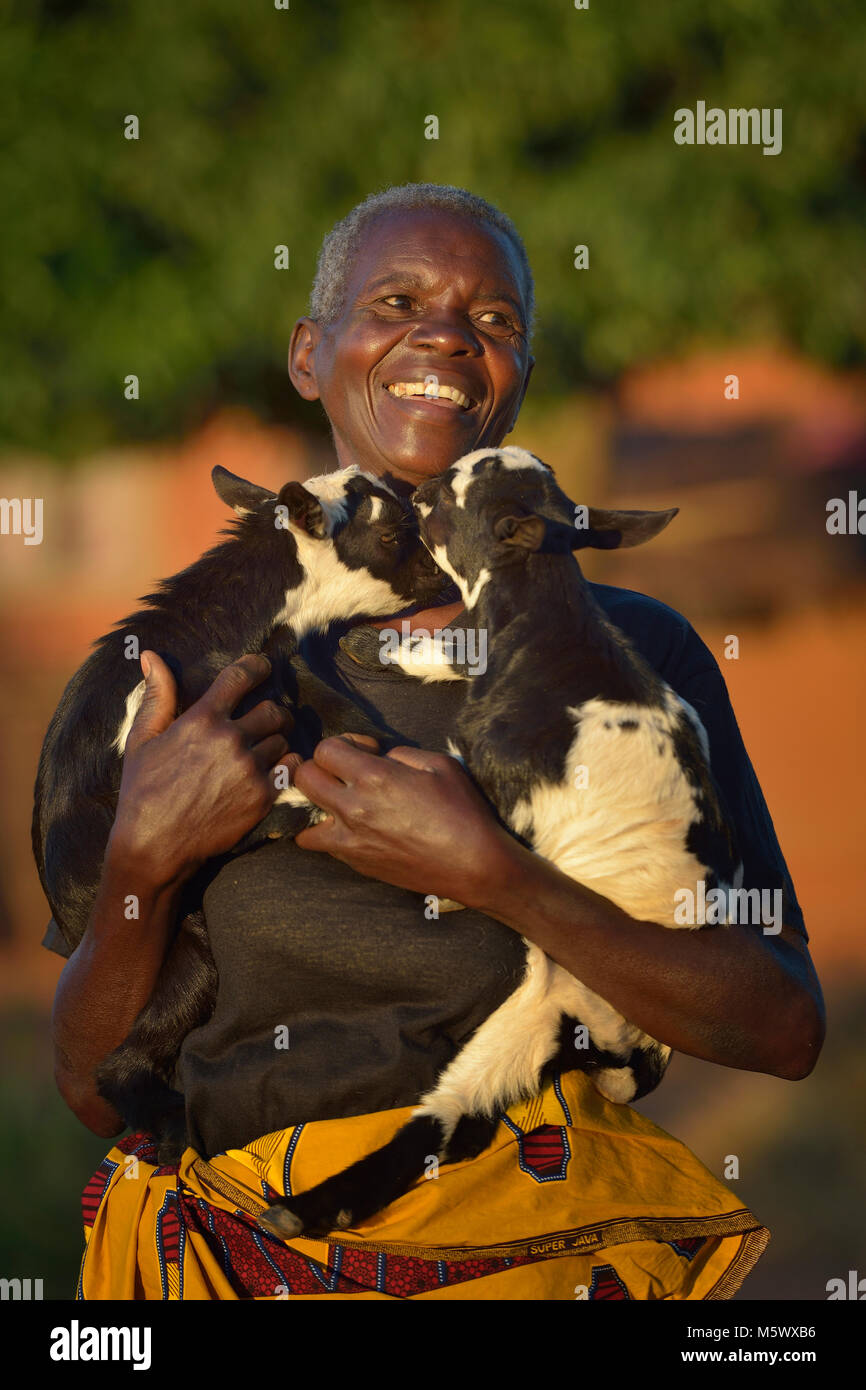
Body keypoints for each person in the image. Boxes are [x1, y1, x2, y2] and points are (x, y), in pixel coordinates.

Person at [43, 183, 825, 1301]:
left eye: (493, 321)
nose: (446, 336)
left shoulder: (627, 657)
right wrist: (139, 865)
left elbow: (779, 1024)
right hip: (227, 1266)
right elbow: (92, 1086)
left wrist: (498, 879)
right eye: (396, 301)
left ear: (519, 378)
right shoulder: (182, 681)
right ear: (309, 354)